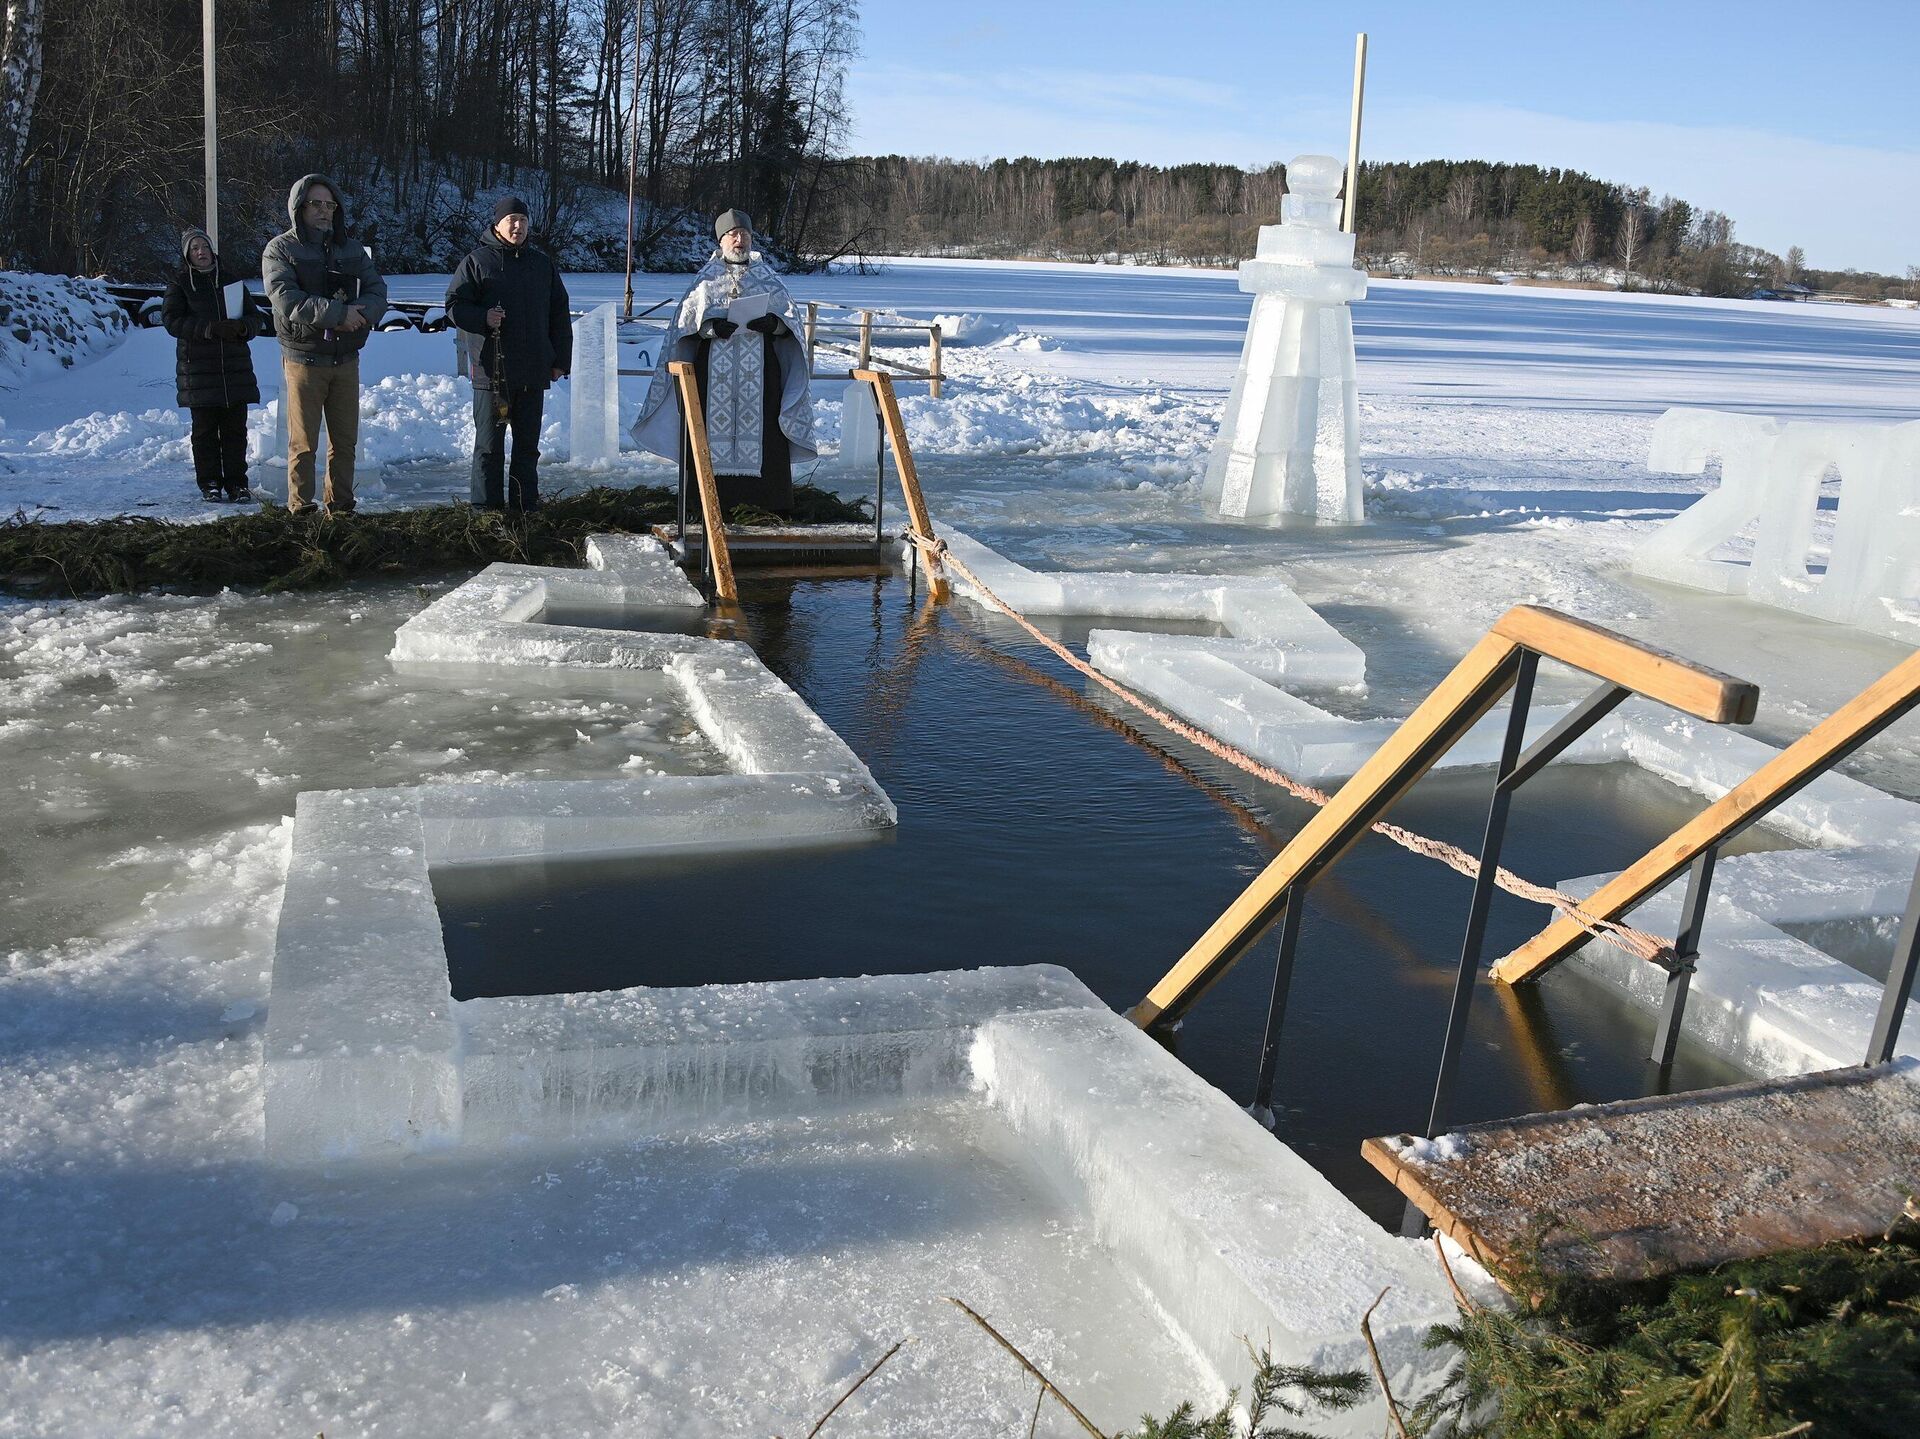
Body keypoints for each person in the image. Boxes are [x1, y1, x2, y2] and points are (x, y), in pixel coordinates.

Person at [631, 209, 815, 516]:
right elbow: (684, 328)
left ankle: (768, 504)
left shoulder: (769, 279)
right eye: (733, 235)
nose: (739, 240)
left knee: (768, 433)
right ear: (721, 240)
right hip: (712, 375)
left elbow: (791, 326)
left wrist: (774, 325)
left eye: (745, 234)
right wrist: (710, 329)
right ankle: (705, 503)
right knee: (705, 430)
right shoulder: (705, 281)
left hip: (761, 376)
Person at [261, 174, 388, 516]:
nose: (323, 211)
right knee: (303, 443)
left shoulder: (351, 249)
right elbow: (287, 299)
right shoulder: (280, 249)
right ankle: (301, 509)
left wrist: (360, 315)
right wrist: (338, 314)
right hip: (304, 359)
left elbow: (378, 290)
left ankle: (342, 507)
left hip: (345, 358)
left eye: (329, 205)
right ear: (299, 207)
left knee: (345, 441)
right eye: (315, 204)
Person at [445, 196, 572, 512]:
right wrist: (483, 318)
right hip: (492, 373)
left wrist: (560, 360)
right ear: (497, 224)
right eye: (512, 220)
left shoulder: (541, 265)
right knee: (489, 447)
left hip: (532, 372)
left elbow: (559, 313)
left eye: (523, 220)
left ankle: (524, 508)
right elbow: (454, 306)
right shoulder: (477, 262)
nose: (518, 226)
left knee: (527, 448)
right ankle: (486, 511)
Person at [161, 227, 259, 503]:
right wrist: (208, 329)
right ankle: (210, 483)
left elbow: (256, 318)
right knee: (204, 432)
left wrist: (242, 328)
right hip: (198, 371)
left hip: (234, 369)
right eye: (195, 248)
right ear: (187, 255)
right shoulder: (180, 284)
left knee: (235, 432)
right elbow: (171, 321)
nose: (201, 252)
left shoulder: (231, 281)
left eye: (204, 246)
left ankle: (237, 484)